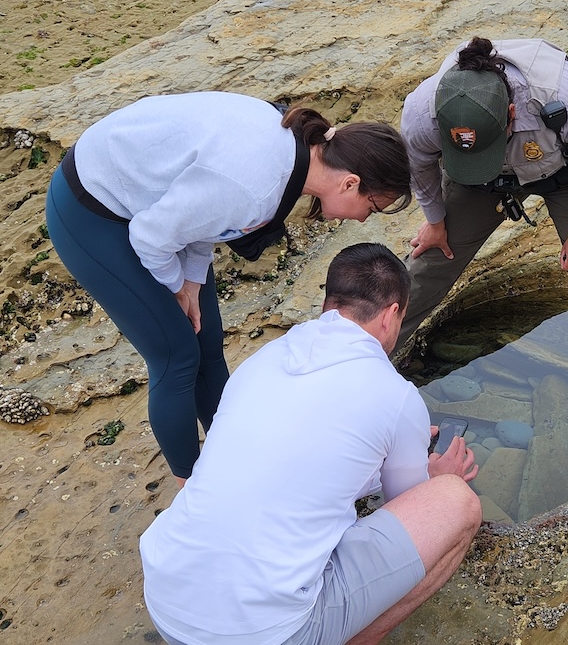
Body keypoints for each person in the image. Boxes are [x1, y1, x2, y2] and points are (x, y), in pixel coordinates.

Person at [45, 91, 412, 486]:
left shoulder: (291, 159)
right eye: (371, 207)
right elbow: (153, 238)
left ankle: (231, 458)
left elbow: (205, 217)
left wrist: (190, 280)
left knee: (207, 340)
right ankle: (193, 484)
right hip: (93, 208)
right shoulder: (257, 186)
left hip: (150, 205)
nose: (362, 220)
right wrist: (173, 286)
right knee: (177, 353)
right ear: (350, 183)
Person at [140, 242, 482, 645]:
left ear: (328, 302)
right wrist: (431, 476)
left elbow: (303, 463)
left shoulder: (264, 359)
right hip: (266, 633)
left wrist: (381, 451)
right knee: (457, 502)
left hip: (167, 602)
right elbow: (401, 509)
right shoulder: (396, 395)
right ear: (392, 315)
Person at [397, 37, 568, 474]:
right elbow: (420, 164)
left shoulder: (563, 96)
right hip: (479, 180)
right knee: (429, 267)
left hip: (567, 171)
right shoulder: (423, 111)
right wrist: (434, 218)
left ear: (510, 114)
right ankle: (355, 372)